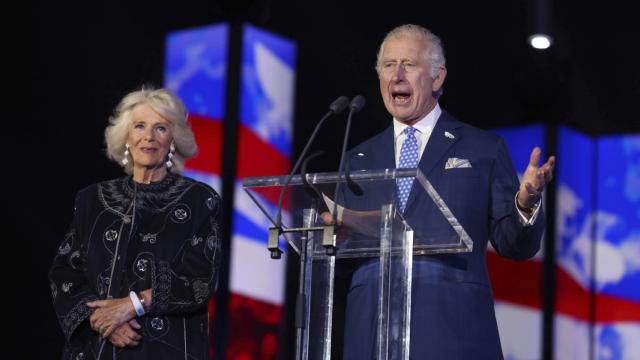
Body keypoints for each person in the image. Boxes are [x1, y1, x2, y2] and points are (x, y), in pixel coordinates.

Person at [341, 24, 556, 359]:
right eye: (388, 65)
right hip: (371, 334)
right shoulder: (357, 159)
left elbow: (514, 244)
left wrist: (525, 203)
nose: (396, 76)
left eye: (409, 65)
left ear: (437, 78)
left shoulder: (483, 148)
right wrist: (330, 230)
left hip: (453, 333)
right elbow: (340, 255)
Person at [49, 87, 222, 359]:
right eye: (140, 126)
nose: (149, 137)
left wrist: (132, 305)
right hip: (96, 348)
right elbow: (65, 273)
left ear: (173, 139)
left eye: (160, 128)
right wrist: (103, 321)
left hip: (164, 349)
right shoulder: (91, 200)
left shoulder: (200, 201)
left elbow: (199, 281)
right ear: (127, 137)